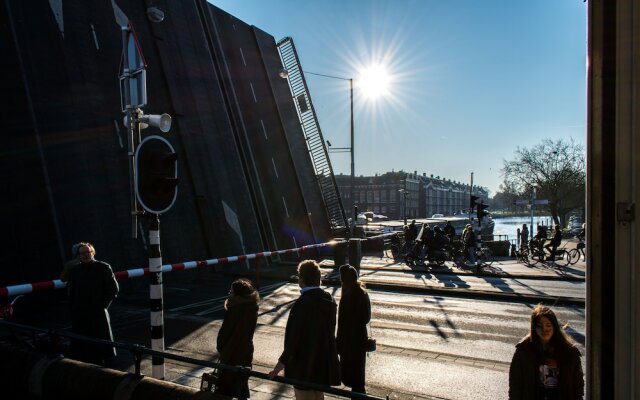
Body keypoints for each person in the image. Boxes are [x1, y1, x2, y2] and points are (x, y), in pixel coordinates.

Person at [268, 260, 340, 399]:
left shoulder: (302, 304)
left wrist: (279, 366)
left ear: (302, 279)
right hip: (322, 367)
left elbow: (294, 340)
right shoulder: (330, 300)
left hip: (303, 368)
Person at [509, 305, 584, 399]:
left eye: (548, 325)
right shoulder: (523, 351)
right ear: (534, 328)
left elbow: (577, 385)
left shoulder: (569, 352)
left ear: (555, 327)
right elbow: (515, 384)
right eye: (539, 326)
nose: (544, 330)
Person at [66, 242, 119, 365]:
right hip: (81, 313)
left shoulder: (103, 267)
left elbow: (113, 289)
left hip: (97, 313)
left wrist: (102, 306)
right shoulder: (75, 271)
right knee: (83, 347)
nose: (86, 255)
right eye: (82, 253)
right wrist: (74, 308)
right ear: (78, 256)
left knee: (99, 345)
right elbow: (71, 291)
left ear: (93, 253)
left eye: (88, 252)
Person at [215, 278, 259, 399]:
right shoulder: (252, 307)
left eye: (231, 291)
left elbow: (225, 333)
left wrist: (220, 347)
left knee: (225, 386)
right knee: (241, 383)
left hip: (231, 352)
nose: (229, 293)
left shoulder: (235, 309)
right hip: (246, 351)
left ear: (237, 294)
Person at [336, 265, 371, 396]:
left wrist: (338, 343)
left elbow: (341, 323)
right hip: (360, 339)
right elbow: (366, 318)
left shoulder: (346, 296)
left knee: (348, 373)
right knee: (358, 376)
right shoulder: (363, 293)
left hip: (347, 341)